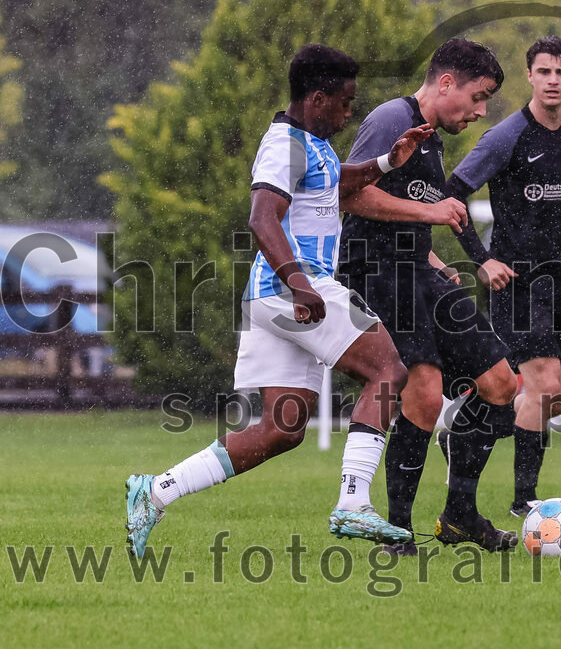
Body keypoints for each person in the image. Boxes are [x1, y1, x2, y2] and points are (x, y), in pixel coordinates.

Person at [124, 44, 468, 558]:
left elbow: (335, 184)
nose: (349, 114)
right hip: (295, 286)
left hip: (272, 296)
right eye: (344, 103)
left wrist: (384, 162)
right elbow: (262, 217)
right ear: (317, 98)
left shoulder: (313, 143)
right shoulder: (284, 145)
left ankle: (154, 492)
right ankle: (353, 501)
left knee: (281, 430)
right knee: (389, 369)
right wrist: (300, 284)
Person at [338, 38, 519, 554]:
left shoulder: (432, 139)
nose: (480, 111)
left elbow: (404, 210)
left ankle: (459, 514)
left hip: (415, 269)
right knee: (424, 388)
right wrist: (431, 214)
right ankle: (397, 533)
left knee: (501, 383)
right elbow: (349, 194)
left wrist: (434, 259)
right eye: (478, 97)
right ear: (446, 83)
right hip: (375, 271)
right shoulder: (392, 119)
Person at [440, 36, 561, 516]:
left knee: (560, 398)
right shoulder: (506, 137)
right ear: (530, 77)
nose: (553, 81)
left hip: (560, 282)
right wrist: (481, 259)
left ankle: (464, 424)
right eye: (544, 72)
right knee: (541, 386)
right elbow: (451, 194)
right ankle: (526, 503)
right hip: (516, 284)